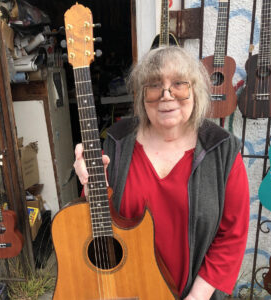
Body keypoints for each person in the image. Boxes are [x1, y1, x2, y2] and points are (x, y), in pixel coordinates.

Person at [74, 46, 249, 300]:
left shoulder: (222, 149)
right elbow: (99, 219)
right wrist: (89, 188)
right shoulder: (117, 141)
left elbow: (232, 235)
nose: (167, 95)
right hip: (127, 291)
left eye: (179, 84)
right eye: (154, 86)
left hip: (193, 292)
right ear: (142, 96)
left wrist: (196, 297)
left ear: (196, 91)